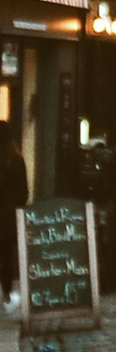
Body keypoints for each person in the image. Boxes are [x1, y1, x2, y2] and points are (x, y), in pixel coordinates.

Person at [0, 121, 27, 308]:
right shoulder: (17, 159)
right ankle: (6, 293)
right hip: (8, 216)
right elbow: (24, 192)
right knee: (6, 256)